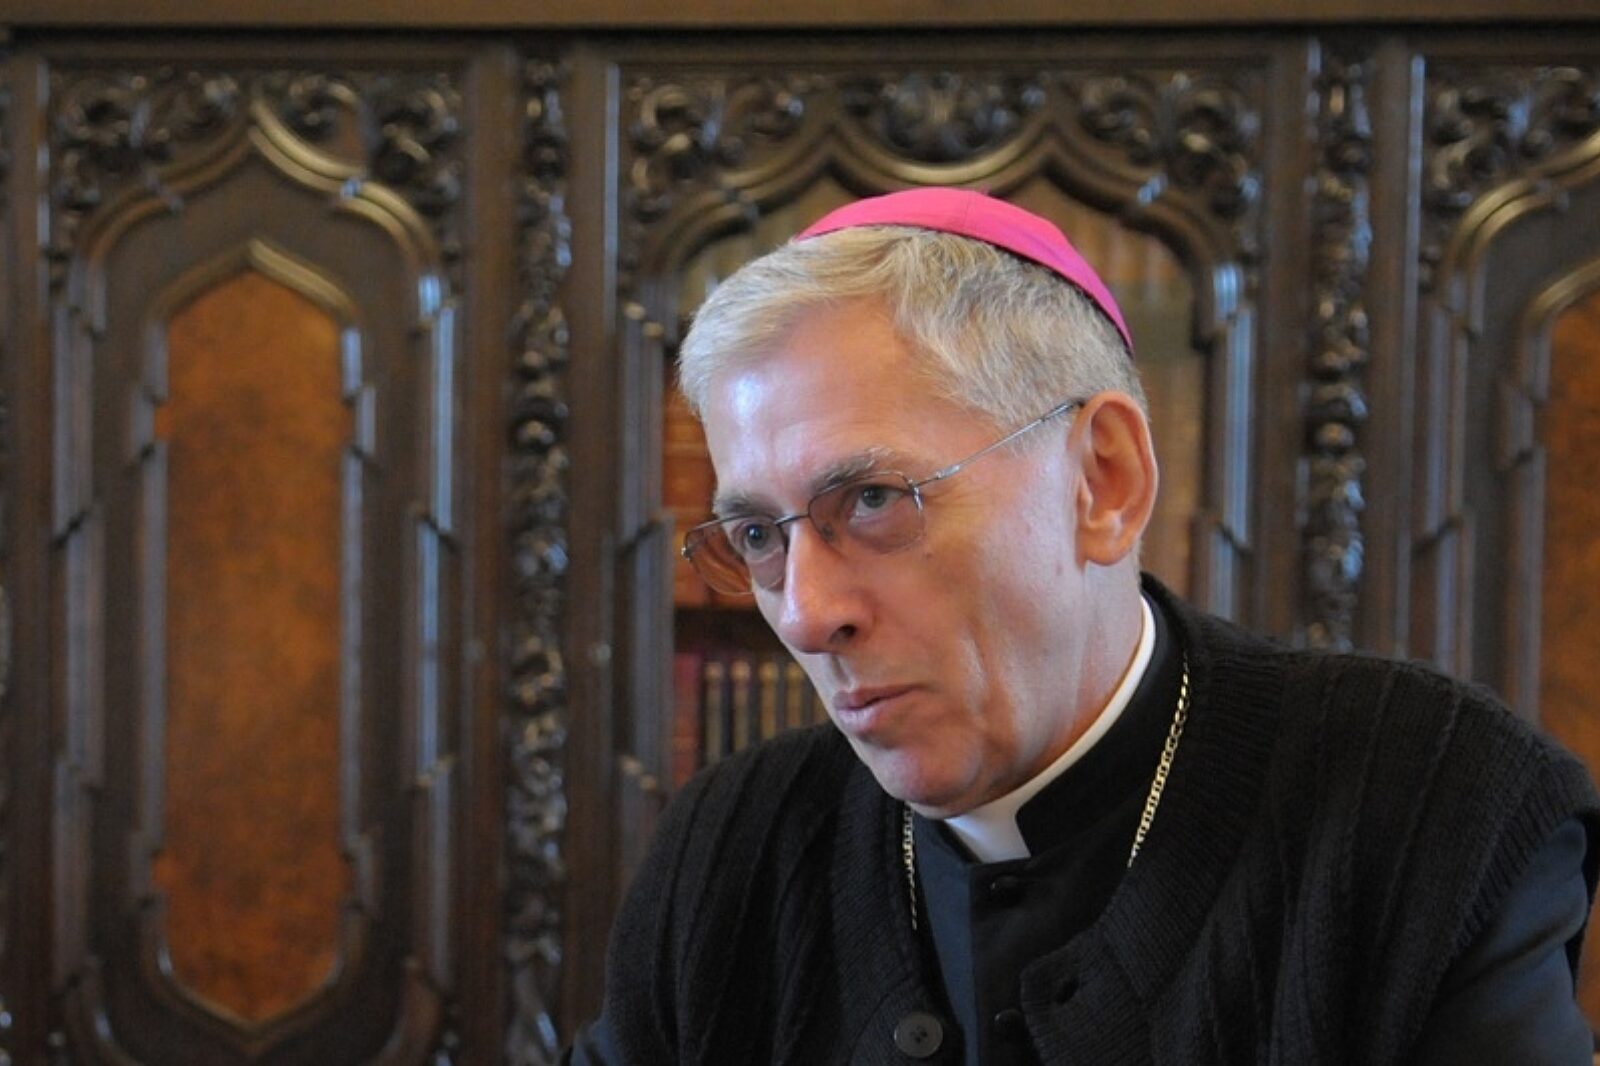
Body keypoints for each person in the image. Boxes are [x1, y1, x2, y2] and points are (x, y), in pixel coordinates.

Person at [565, 188, 1600, 1064]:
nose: (804, 611)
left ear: (1104, 481)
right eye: (757, 534)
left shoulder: (1434, 810)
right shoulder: (733, 844)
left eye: (874, 500)